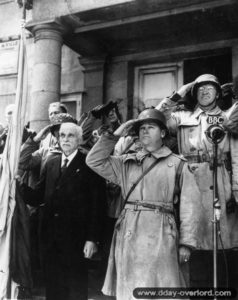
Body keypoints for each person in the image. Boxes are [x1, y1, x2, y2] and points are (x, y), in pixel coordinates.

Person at [86, 108, 201, 300]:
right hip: (129, 232)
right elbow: (94, 160)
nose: (145, 131)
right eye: (141, 128)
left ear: (163, 133)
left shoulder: (178, 164)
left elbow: (190, 207)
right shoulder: (126, 163)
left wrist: (186, 244)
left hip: (162, 235)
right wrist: (115, 135)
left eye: (151, 127)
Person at [156, 74, 238, 286]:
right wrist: (179, 93)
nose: (204, 91)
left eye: (210, 87)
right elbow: (157, 117)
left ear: (218, 93)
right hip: (191, 182)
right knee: (193, 241)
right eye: (200, 89)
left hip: (221, 181)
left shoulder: (228, 117)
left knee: (223, 242)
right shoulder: (183, 118)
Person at [20, 122, 105, 300]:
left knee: (75, 287)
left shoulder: (89, 164)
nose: (65, 139)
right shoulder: (51, 163)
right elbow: (38, 196)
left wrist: (92, 239)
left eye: (70, 135)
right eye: (62, 135)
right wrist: (18, 186)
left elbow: (97, 206)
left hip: (76, 238)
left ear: (80, 139)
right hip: (50, 237)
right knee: (53, 287)